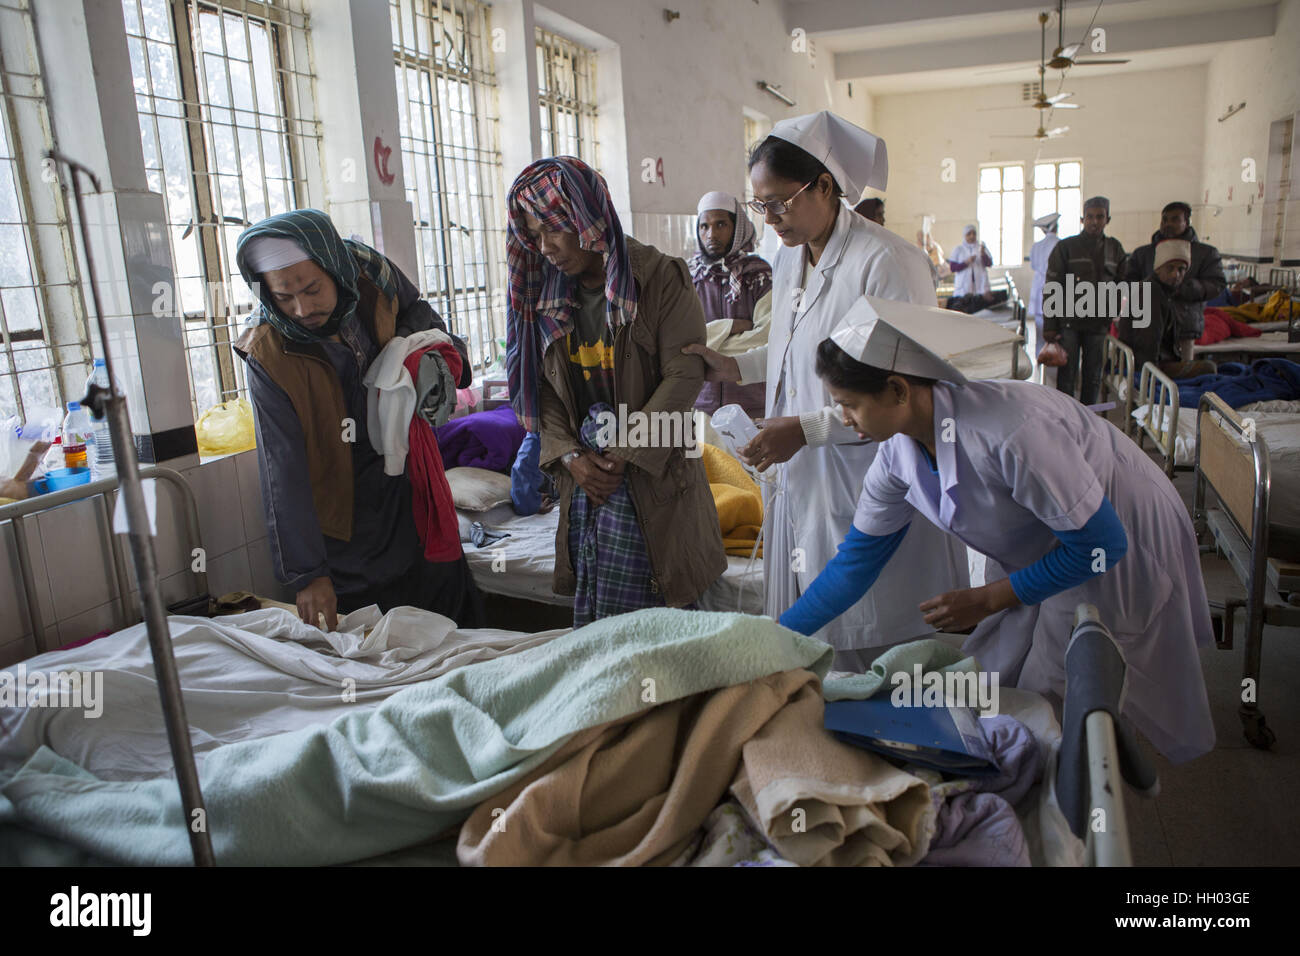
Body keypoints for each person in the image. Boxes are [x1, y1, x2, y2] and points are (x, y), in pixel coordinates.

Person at [781, 296, 1215, 764]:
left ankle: (1074, 799)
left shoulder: (1008, 434)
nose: (843, 419)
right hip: (1051, 537)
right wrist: (777, 639)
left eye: (849, 405)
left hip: (1116, 528)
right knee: (995, 677)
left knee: (1058, 687)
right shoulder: (897, 456)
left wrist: (989, 598)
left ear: (899, 390)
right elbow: (854, 565)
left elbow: (1101, 546)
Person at [682, 111, 968, 670]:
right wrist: (731, 367)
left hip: (868, 476)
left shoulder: (888, 263)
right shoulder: (791, 257)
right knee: (815, 645)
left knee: (880, 651)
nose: (771, 218)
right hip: (805, 479)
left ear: (826, 187)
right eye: (761, 205)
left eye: (781, 202)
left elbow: (905, 395)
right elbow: (796, 352)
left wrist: (806, 429)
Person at [234, 209, 483, 630]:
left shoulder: (369, 275)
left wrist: (413, 356)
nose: (302, 308)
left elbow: (419, 313)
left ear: (333, 266)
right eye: (283, 297)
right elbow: (283, 471)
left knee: (452, 613)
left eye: (313, 289)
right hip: (346, 515)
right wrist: (309, 575)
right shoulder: (269, 354)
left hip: (408, 478)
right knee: (381, 643)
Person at [505, 156, 726, 628]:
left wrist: (624, 453)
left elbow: (683, 375)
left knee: (660, 623)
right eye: (534, 235)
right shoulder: (544, 295)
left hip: (654, 469)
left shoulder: (659, 278)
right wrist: (570, 458)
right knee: (600, 623)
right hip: (587, 479)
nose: (543, 248)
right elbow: (538, 386)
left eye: (553, 231)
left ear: (586, 221)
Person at [689, 191, 772, 417]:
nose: (711, 234)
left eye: (721, 224)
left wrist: (704, 347)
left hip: (753, 404)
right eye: (704, 226)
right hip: (702, 405)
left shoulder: (759, 275)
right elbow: (680, 343)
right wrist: (729, 327)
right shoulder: (688, 277)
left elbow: (767, 338)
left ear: (737, 227)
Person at [1043, 195, 1127, 406]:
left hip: (1098, 324)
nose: (1094, 221)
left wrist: (1115, 314)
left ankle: (1089, 420)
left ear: (1108, 219)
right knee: (1067, 377)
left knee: (1093, 376)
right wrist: (1050, 326)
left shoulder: (1114, 249)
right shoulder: (1066, 247)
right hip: (1069, 322)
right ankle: (1066, 418)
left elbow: (1122, 283)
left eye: (1100, 217)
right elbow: (1052, 286)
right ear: (1082, 219)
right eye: (1090, 216)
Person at [1124, 201, 1226, 362]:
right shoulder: (1143, 254)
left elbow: (1217, 284)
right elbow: (1128, 282)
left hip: (1184, 326)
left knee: (1181, 373)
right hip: (1146, 326)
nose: (1168, 224)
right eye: (1165, 220)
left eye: (1175, 219)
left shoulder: (1204, 253)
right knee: (1147, 372)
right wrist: (1150, 291)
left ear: (1187, 222)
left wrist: (1183, 288)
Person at [1118, 238, 1216, 379]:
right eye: (1170, 268)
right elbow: (1148, 342)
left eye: (1181, 269)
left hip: (1147, 362)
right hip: (1147, 367)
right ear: (1158, 268)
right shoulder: (1152, 293)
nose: (1175, 274)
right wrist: (1151, 377)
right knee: (1209, 368)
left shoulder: (1162, 291)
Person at [946, 225, 1004, 314]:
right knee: (965, 310)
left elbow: (989, 264)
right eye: (969, 234)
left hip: (980, 286)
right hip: (963, 288)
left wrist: (983, 254)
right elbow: (953, 268)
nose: (972, 236)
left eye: (974, 233)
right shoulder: (958, 249)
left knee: (980, 310)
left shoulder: (981, 248)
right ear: (964, 236)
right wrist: (966, 262)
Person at [1028, 211, 1061, 351]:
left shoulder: (1036, 246)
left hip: (1038, 287)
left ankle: (1040, 356)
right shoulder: (1061, 244)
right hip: (1055, 288)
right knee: (1055, 329)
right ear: (1055, 227)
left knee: (1040, 330)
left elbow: (1033, 265)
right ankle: (1055, 358)